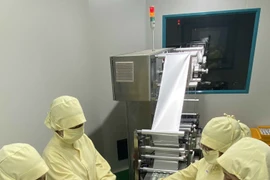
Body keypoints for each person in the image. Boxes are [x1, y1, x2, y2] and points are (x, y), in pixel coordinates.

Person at [43, 95, 116, 180]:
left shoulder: (83, 139)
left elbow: (100, 167)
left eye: (80, 125)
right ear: (58, 128)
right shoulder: (51, 156)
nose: (78, 130)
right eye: (73, 127)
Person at [163, 114, 251, 180]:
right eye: (203, 147)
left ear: (225, 149)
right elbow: (184, 175)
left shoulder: (237, 174)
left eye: (208, 149)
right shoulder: (208, 162)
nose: (205, 151)